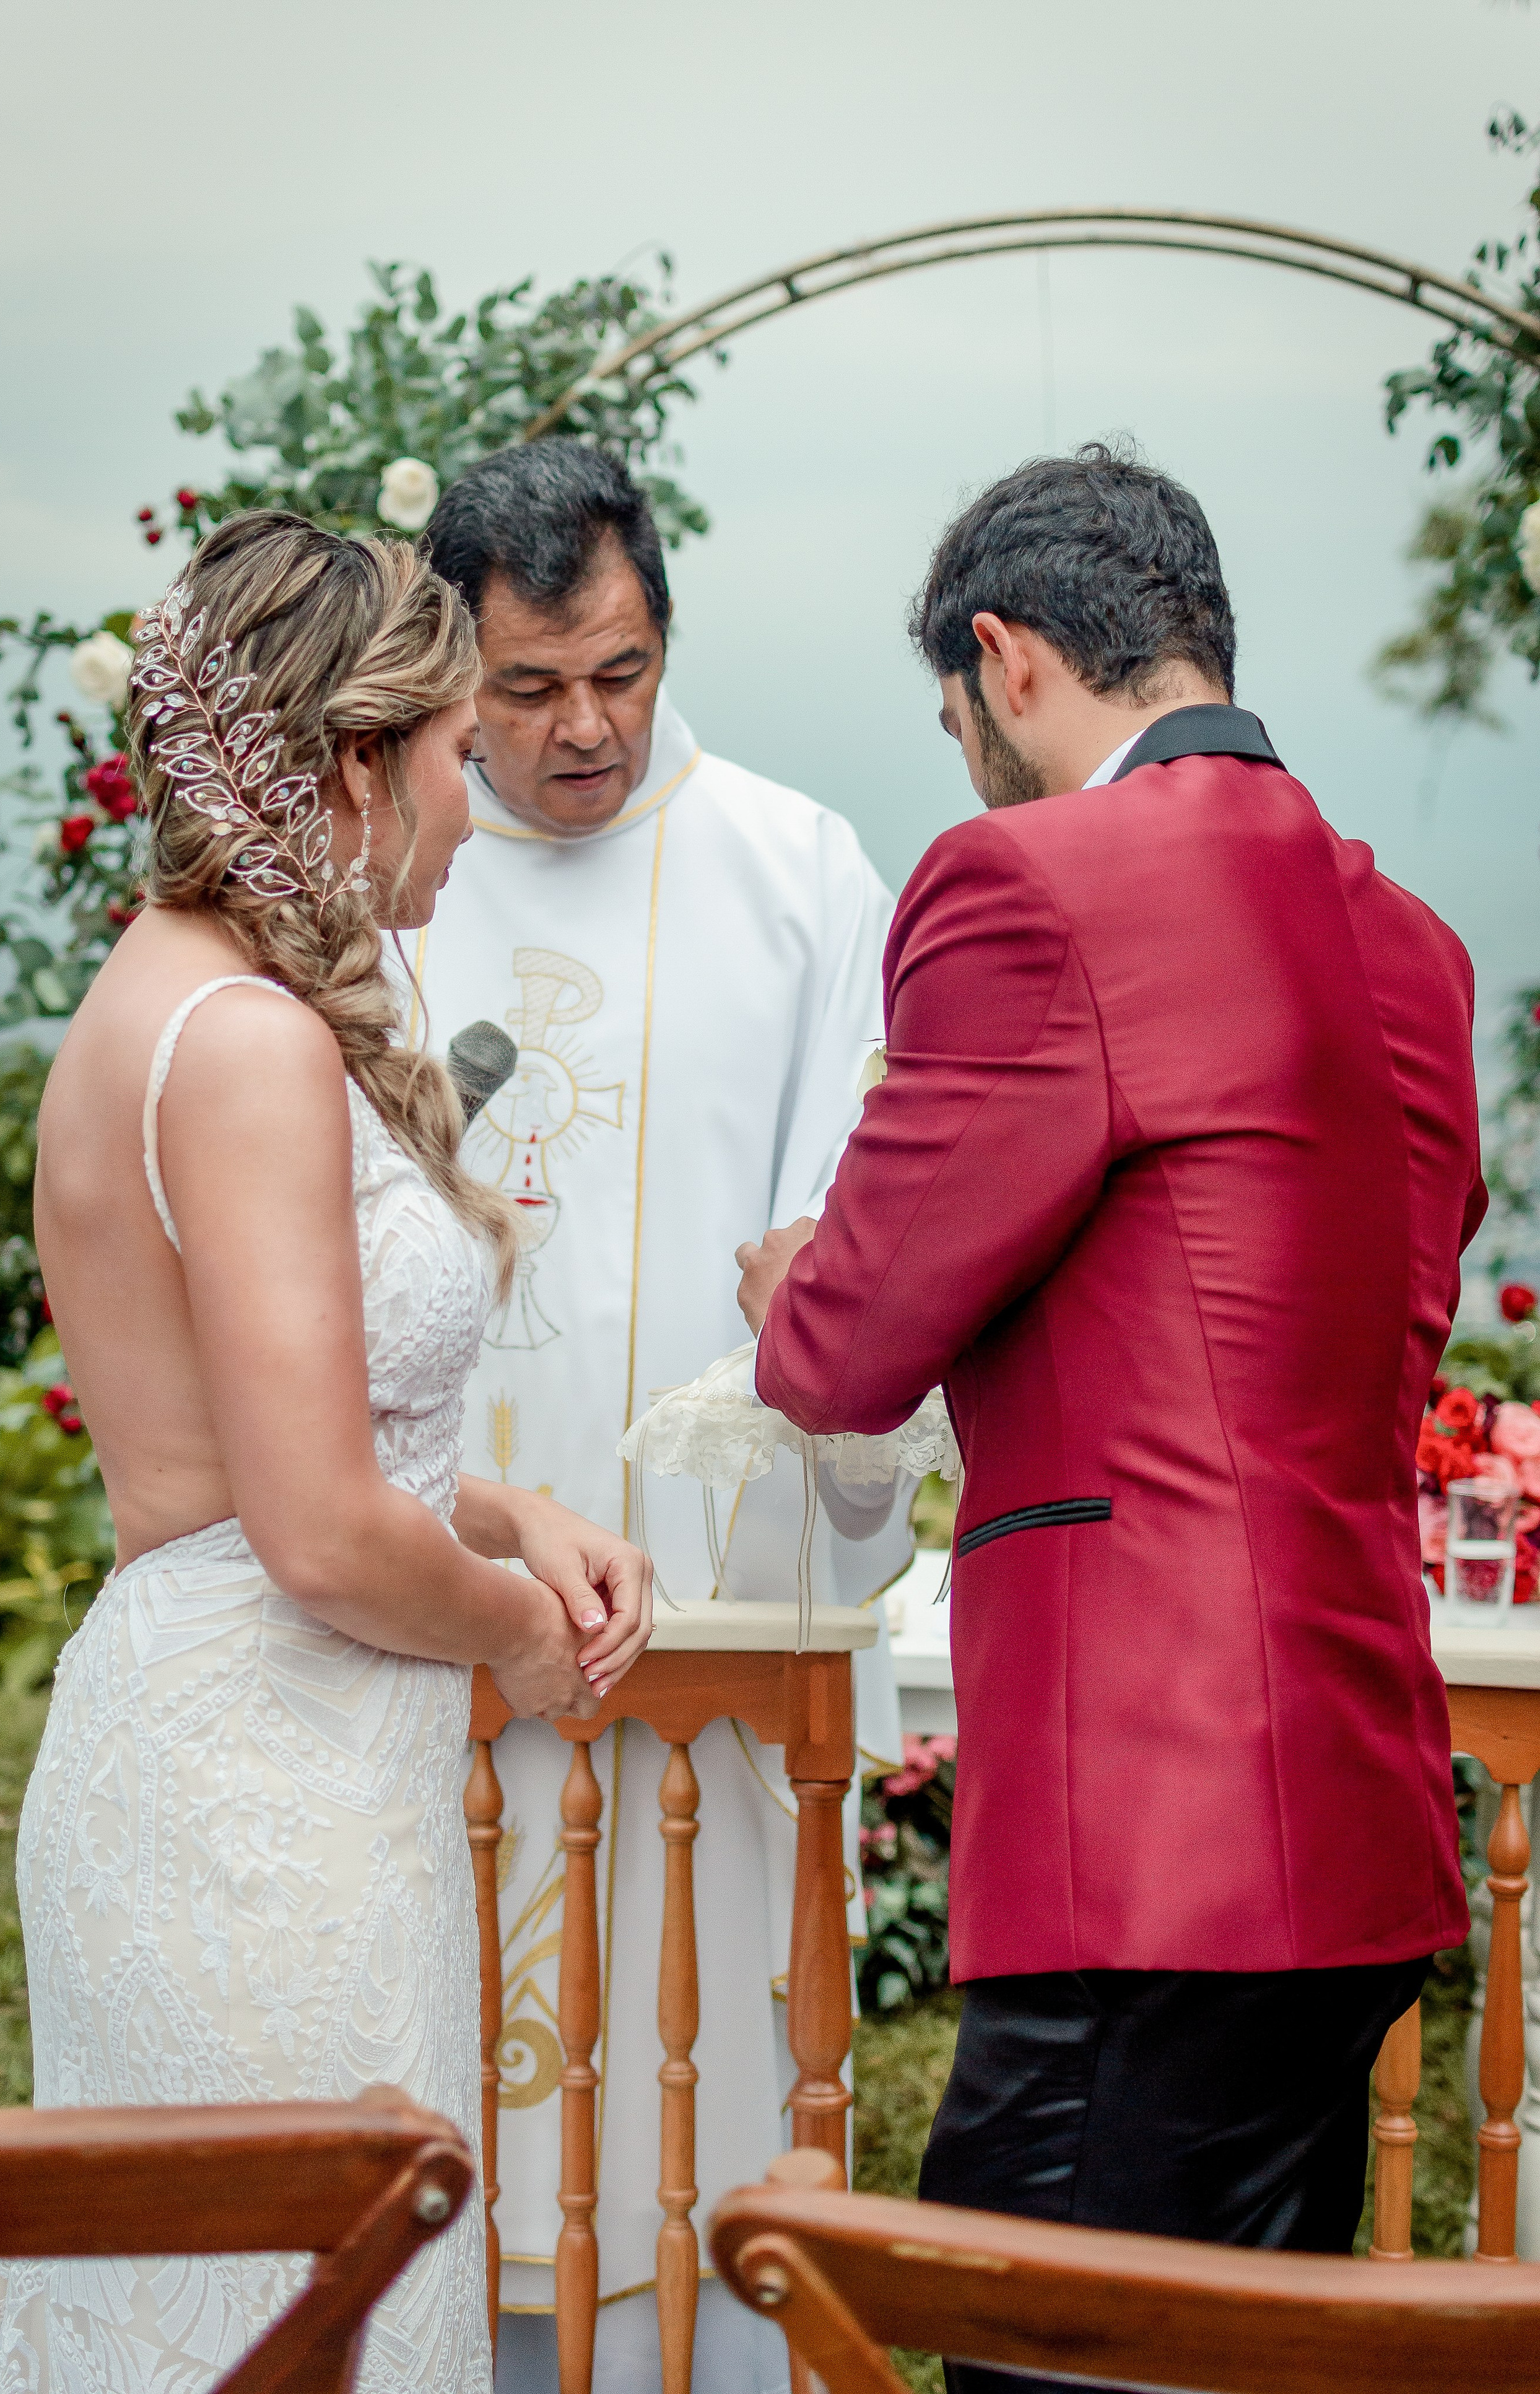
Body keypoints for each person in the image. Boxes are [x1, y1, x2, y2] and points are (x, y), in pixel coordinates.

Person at [737, 445, 1480, 2394]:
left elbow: (844, 1348)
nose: (969, 753)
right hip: (1353, 1808)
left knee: (1038, 2360)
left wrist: (790, 1273)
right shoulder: (1409, 943)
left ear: (1007, 660)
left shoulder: (1023, 884)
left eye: (958, 709)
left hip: (1150, 1834)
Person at [0, 512, 653, 2394]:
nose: (476, 782)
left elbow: (287, 1441)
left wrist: (512, 1508)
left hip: (248, 1755)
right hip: (257, 1805)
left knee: (240, 2314)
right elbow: (323, 1531)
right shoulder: (251, 1040)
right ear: (353, 760)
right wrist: (518, 1631)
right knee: (284, 2321)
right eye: (448, 739)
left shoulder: (162, 984)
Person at [411, 438, 908, 2392]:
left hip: (705, 1643)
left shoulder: (799, 871)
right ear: (455, 670)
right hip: (432, 1634)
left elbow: (846, 1252)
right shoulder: (392, 870)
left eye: (619, 669)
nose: (582, 727)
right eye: (526, 688)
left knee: (690, 2134)